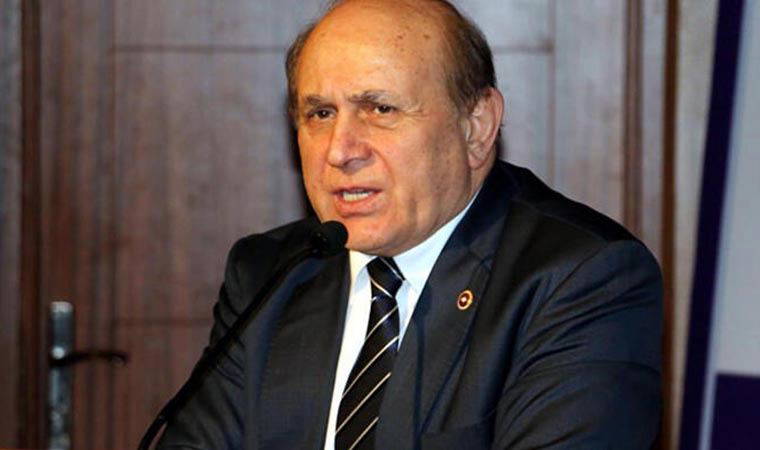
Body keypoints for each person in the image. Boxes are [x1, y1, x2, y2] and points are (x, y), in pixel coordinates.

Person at [158, 0, 662, 448]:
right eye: (320, 113)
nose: (340, 151)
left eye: (380, 109)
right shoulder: (268, 275)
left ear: (477, 127)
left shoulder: (580, 280)